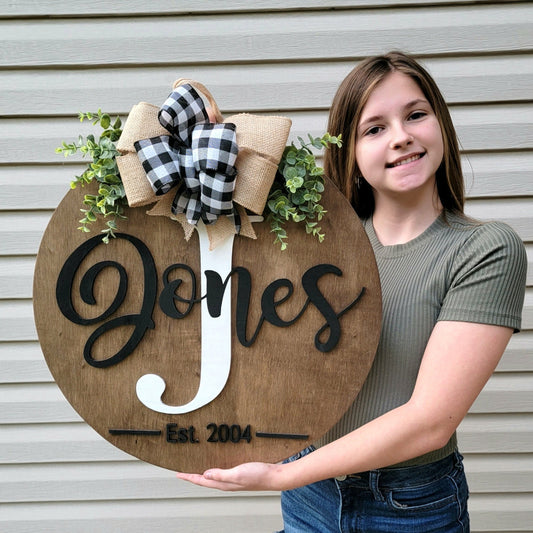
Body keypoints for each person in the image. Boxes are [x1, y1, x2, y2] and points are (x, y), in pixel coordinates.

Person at [176, 51, 527, 532]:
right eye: (374, 128)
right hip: (310, 500)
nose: (401, 135)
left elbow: (430, 420)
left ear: (440, 125)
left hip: (409, 506)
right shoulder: (317, 241)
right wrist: (204, 141)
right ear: (353, 155)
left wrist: (282, 474)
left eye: (416, 115)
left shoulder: (484, 250)